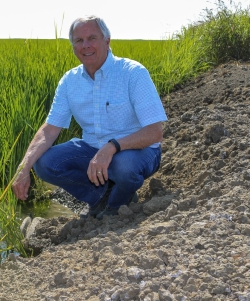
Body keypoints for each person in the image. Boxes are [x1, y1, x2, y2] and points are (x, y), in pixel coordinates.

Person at [11, 15, 168, 220]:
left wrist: (111, 147)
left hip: (137, 150)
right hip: (92, 149)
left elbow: (155, 133)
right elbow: (49, 130)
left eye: (92, 38)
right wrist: (23, 168)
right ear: (73, 46)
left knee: (124, 168)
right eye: (79, 40)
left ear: (107, 40)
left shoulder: (133, 73)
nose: (86, 45)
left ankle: (117, 205)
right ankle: (100, 196)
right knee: (45, 163)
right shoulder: (69, 82)